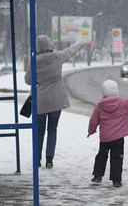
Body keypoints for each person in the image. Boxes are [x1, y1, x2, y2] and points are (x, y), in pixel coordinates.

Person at [25, 35, 90, 168]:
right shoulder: (58, 56)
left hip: (40, 101)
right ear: (50, 44)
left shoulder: (33, 60)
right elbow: (71, 50)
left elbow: (28, 80)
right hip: (56, 100)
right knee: (52, 130)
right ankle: (49, 159)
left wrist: (39, 80)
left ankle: (37, 160)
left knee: (39, 131)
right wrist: (81, 42)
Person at [87, 80, 128, 187]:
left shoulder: (100, 107)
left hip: (105, 138)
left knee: (101, 156)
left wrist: (91, 131)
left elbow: (93, 121)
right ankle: (116, 180)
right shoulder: (123, 104)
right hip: (118, 138)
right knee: (117, 157)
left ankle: (97, 176)